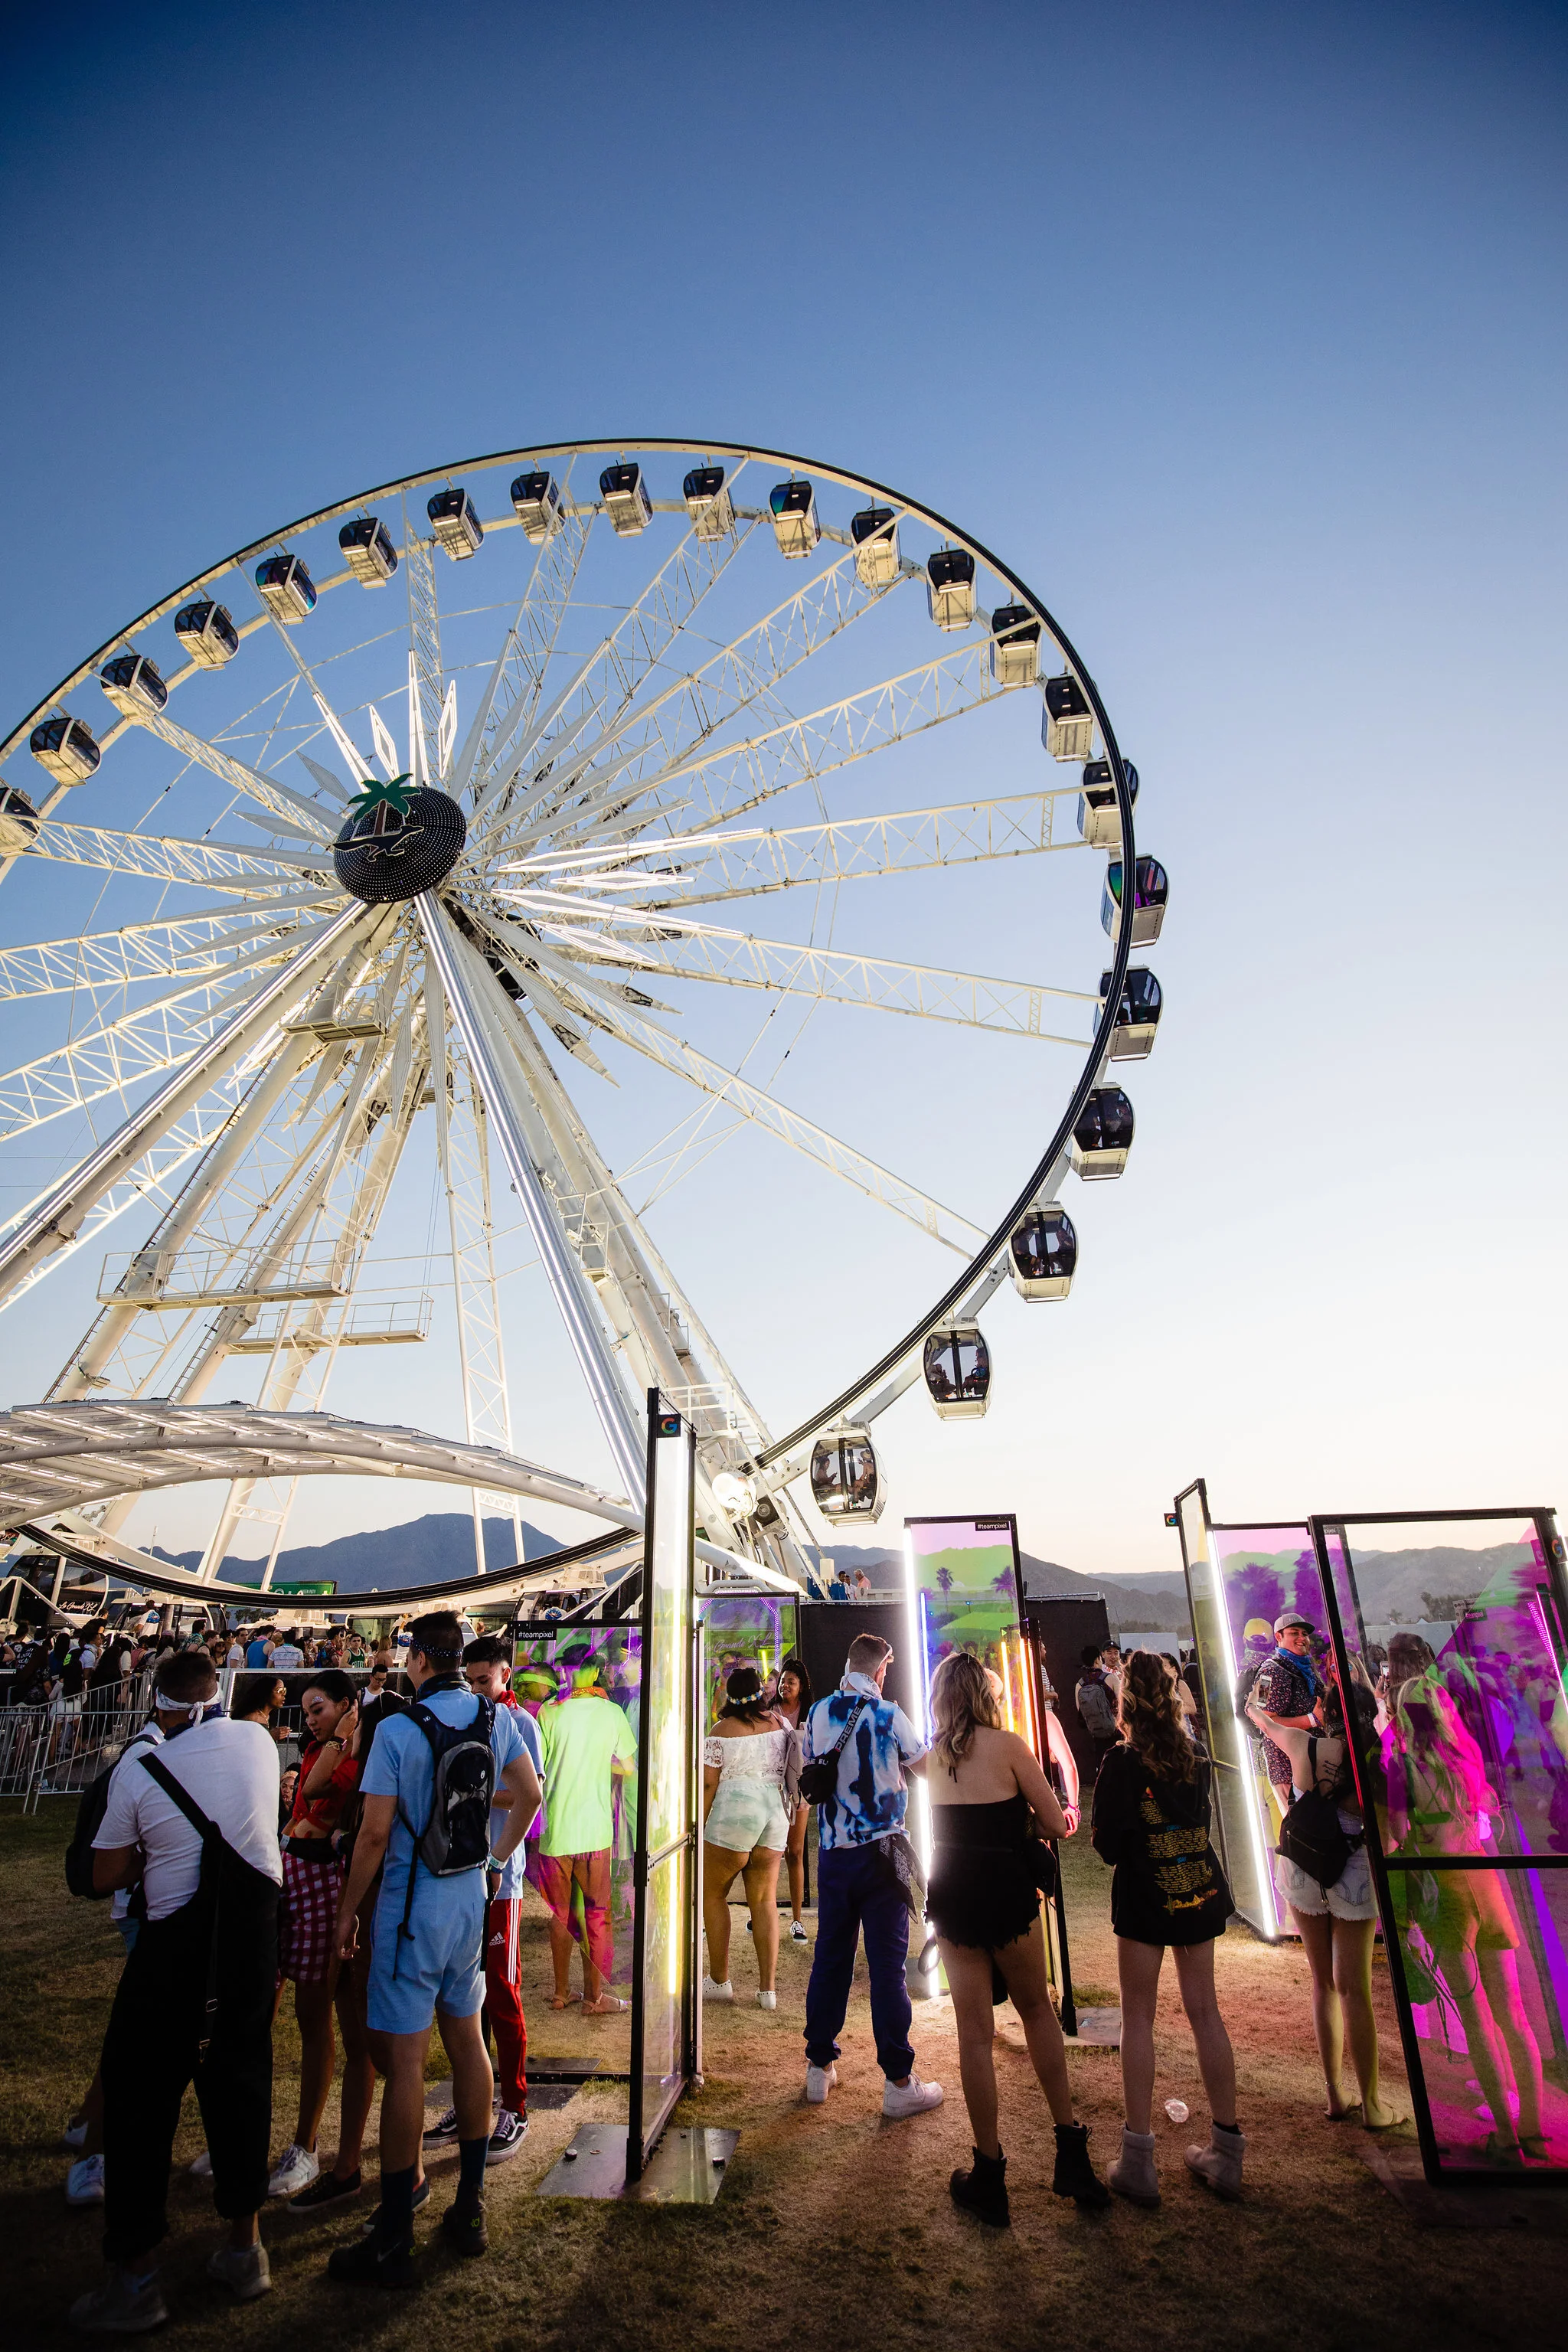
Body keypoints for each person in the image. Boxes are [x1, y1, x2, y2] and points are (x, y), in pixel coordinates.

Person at [324, 1612, 541, 2285]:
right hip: (466, 1902)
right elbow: (531, 1794)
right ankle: (469, 2208)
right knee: (469, 2042)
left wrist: (344, 1916)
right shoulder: (494, 1717)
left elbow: (373, 1834)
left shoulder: (395, 1729)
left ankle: (394, 2232)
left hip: (410, 1907)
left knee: (410, 2061)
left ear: (419, 1659)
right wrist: (494, 1865)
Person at [74, 1648, 282, 2331]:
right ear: (214, 1694)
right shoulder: (257, 1743)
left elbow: (104, 1875)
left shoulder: (140, 1768)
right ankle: (245, 2250)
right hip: (250, 1950)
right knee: (243, 2086)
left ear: (157, 1705)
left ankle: (135, 2280)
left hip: (173, 1954)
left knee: (139, 2104)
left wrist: (151, 1853)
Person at [926, 1654, 1106, 2223]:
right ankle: (1070, 2149)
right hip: (1007, 1889)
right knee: (1036, 2013)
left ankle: (988, 2172)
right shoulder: (1009, 1747)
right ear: (986, 1694)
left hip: (953, 1892)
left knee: (974, 2035)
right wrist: (1033, 1820)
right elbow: (1056, 1824)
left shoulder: (931, 1758)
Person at [1092, 1648, 1243, 2205]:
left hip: (1143, 1898)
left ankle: (1138, 2160)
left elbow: (1107, 1847)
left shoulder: (1122, 1763)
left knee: (1139, 2018)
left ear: (1125, 1701)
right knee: (1206, 2014)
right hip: (1196, 1892)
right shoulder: (1197, 1756)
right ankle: (1227, 2152)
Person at [1384, 1668, 1544, 2162]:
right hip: (1487, 1881)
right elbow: (1487, 1814)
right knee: (1514, 2015)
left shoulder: (1402, 1767)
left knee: (1477, 2020)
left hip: (1447, 1889)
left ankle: (1507, 2138)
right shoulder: (1468, 1755)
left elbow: (1395, 1835)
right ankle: (1535, 2131)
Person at [1246, 1654, 1398, 2128]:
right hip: (1353, 1872)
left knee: (1322, 1983)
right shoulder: (1376, 1758)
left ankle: (1335, 2095)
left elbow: (1260, 1719)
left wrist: (1254, 1698)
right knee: (1356, 1989)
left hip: (1305, 1867)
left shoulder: (1302, 1745)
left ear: (1327, 1712)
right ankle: (1373, 2104)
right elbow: (1392, 1832)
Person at [801, 1631, 943, 2118]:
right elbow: (927, 1769)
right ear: (880, 1671)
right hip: (883, 1854)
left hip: (834, 1854)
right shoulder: (888, 1715)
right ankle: (899, 2081)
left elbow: (811, 1769)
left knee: (830, 1959)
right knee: (886, 1966)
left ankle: (819, 2067)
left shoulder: (818, 1713)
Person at [424, 1634, 546, 2164]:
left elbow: (531, 1793)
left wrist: (473, 1786)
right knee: (461, 1999)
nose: (476, 1689)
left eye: (483, 1681)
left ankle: (514, 2105)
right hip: (461, 1876)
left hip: (502, 1878)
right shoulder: (466, 1720)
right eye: (469, 1680)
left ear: (505, 1677)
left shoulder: (520, 1725)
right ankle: (471, 2098)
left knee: (502, 1991)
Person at [265, 1669, 368, 2203]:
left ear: (348, 1706)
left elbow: (314, 1793)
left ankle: (306, 2147)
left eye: (319, 1706)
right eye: (306, 1710)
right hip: (291, 1872)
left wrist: (338, 1736)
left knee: (317, 2015)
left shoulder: (353, 1757)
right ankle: (272, 2138)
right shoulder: (316, 1748)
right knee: (285, 2006)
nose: (310, 1718)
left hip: (322, 1883)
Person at [533, 1658, 637, 2014]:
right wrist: (600, 1762)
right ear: (594, 1672)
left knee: (560, 1915)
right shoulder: (612, 1714)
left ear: (567, 1671)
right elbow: (629, 1767)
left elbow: (539, 1769)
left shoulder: (549, 1712)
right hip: (594, 1831)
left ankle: (562, 1993)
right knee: (598, 1915)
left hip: (555, 1830)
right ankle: (595, 1997)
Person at [702, 1667, 798, 2009]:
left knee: (713, 1894)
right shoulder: (780, 1724)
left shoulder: (720, 1731)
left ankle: (719, 1980)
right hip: (774, 1813)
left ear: (730, 1695)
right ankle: (767, 1991)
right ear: (761, 1693)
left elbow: (710, 1784)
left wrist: (699, 1822)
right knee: (765, 1901)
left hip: (734, 1813)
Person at [1251, 1612, 1321, 1814]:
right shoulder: (1269, 1672)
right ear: (1279, 1637)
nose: (1302, 1638)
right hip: (1287, 1768)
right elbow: (1263, 1720)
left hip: (1310, 1761)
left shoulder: (1306, 1667)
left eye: (1304, 1633)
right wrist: (1312, 1720)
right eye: (1294, 1633)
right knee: (1301, 1829)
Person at [774, 1655, 814, 1940]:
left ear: (801, 1686)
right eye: (783, 1681)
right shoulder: (770, 1710)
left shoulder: (811, 1712)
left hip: (800, 1789)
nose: (785, 1686)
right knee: (770, 1850)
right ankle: (761, 1911)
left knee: (796, 1851)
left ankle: (797, 1919)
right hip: (774, 1788)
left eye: (791, 1682)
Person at [1075, 1642, 1120, 1761]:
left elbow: (1080, 1711)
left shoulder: (1080, 1684)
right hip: (1115, 1732)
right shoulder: (1111, 1678)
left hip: (1095, 1734)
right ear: (1098, 1659)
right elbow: (1123, 1706)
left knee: (1102, 1765)